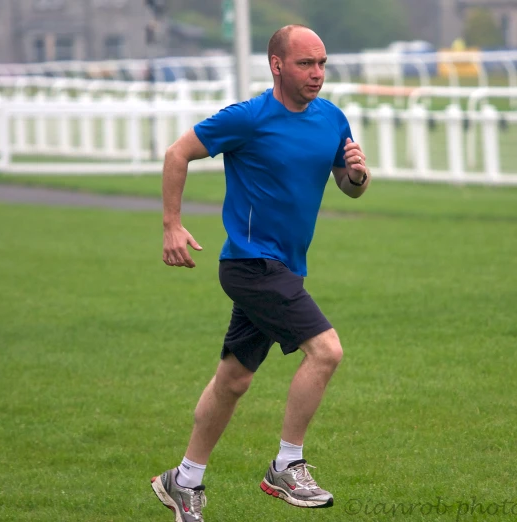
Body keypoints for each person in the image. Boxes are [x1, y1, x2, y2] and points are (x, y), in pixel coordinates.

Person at [150, 24, 371, 522]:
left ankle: (182, 481)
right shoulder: (248, 118)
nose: (316, 74)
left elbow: (349, 184)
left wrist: (357, 175)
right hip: (250, 264)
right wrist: (172, 226)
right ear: (277, 65)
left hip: (285, 267)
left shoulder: (333, 119)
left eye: (322, 64)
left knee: (233, 380)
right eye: (305, 64)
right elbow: (176, 153)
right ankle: (286, 466)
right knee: (327, 351)